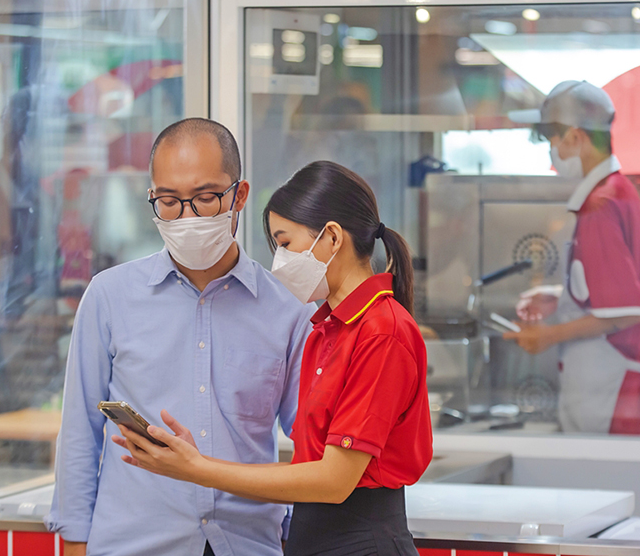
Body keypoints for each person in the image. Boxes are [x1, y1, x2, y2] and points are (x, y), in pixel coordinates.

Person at [114, 161, 433, 556]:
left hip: (361, 540)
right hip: (315, 537)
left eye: (285, 243)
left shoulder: (382, 331)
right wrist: (195, 463)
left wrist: (198, 470)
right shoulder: (325, 330)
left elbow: (334, 481)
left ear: (332, 237)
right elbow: (308, 468)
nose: (279, 260)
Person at [46, 118, 314, 556]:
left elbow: (311, 442)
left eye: (205, 198)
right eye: (169, 201)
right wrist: (75, 544)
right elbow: (80, 432)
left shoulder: (289, 308)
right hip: (134, 545)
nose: (187, 217)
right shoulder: (110, 296)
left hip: (246, 544)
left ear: (239, 195)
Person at [506, 81, 640, 435]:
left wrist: (548, 336)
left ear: (576, 137)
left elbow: (628, 310)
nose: (551, 153)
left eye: (553, 141)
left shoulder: (599, 205)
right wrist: (562, 297)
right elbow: (621, 290)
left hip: (608, 392)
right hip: (612, 387)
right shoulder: (618, 190)